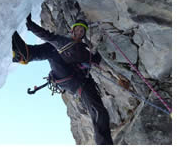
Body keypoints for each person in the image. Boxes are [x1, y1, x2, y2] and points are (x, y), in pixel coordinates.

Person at [12, 13, 113, 145]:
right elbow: (48, 36)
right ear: (73, 30)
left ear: (83, 35)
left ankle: (27, 54)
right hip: (69, 78)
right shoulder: (65, 42)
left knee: (100, 111)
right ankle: (26, 54)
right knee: (53, 48)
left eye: (82, 31)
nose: (79, 32)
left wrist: (100, 51)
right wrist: (31, 25)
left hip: (79, 82)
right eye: (77, 29)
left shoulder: (83, 50)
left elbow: (95, 59)